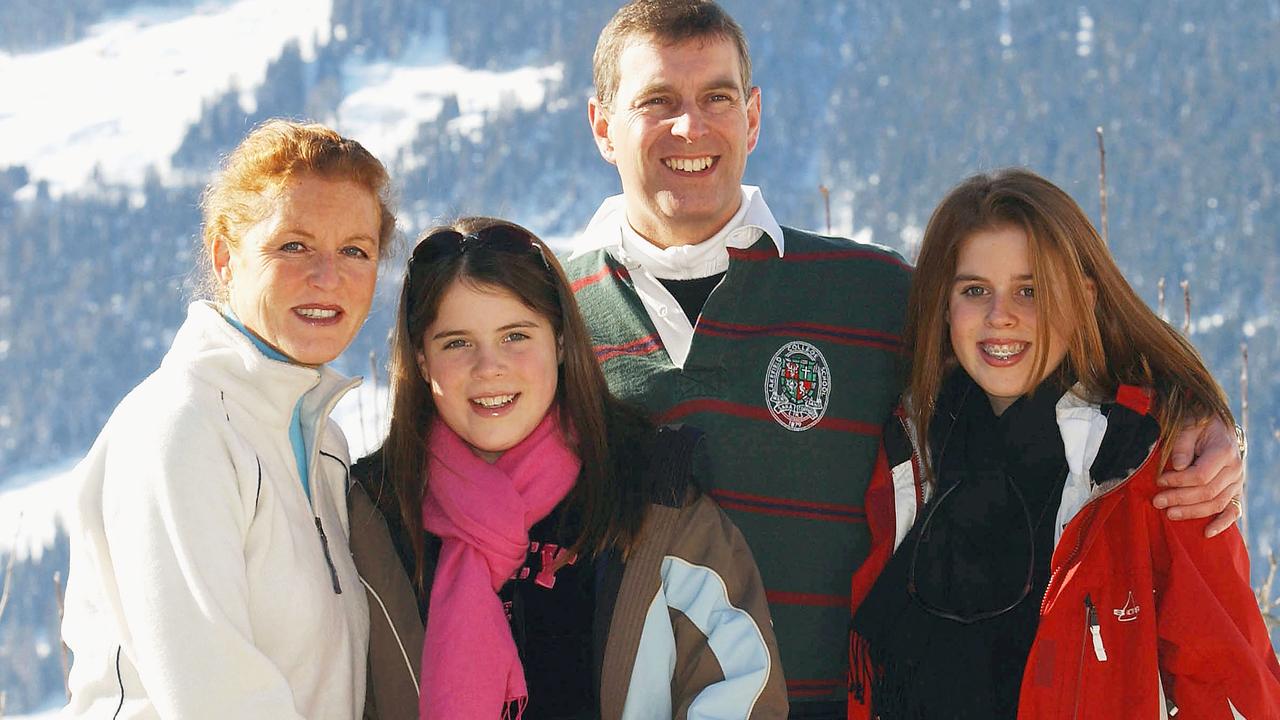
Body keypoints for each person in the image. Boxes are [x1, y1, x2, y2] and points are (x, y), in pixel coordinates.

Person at [564, 2, 1248, 716]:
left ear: (754, 116)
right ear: (602, 126)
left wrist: (1194, 414)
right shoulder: (550, 322)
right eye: (657, 101)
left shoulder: (869, 293)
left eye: (717, 97)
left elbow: (1041, 363)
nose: (690, 126)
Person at [847, 168, 1280, 719]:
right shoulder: (909, 450)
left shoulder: (1152, 467)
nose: (1000, 315)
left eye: (1030, 290)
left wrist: (1196, 412)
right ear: (944, 305)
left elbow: (1232, 686)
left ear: (1083, 300)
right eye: (975, 290)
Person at [349, 216, 788, 720]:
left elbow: (739, 689)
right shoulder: (372, 515)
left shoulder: (650, 495)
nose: (489, 366)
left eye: (515, 335)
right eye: (456, 342)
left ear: (559, 342)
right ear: (422, 360)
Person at [60, 119, 396, 719]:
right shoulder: (181, 426)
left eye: (355, 250)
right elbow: (215, 699)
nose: (328, 275)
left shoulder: (321, 438)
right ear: (224, 255)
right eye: (293, 245)